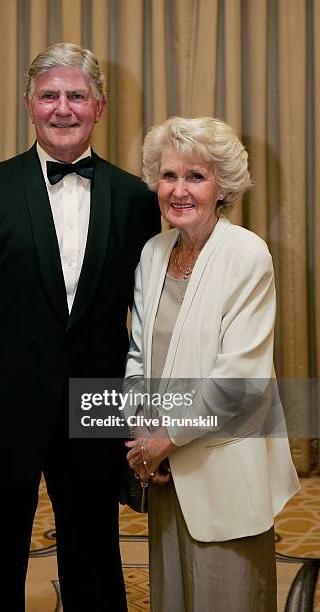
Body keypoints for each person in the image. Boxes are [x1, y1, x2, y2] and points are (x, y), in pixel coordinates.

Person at [0, 42, 160, 612]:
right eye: (50, 95)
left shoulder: (135, 197)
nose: (63, 108)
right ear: (29, 105)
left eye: (77, 96)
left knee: (95, 561)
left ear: (99, 107)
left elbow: (151, 319)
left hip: (97, 406)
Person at [124, 116, 300, 611]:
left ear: (221, 186)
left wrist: (163, 441)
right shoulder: (153, 254)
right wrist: (144, 435)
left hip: (225, 467)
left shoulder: (247, 255)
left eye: (195, 177)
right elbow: (137, 357)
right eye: (169, 176)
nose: (179, 190)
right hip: (163, 470)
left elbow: (238, 379)